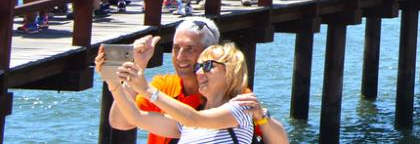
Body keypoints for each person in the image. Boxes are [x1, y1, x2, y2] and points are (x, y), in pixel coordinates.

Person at [105, 34, 285, 144]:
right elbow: (133, 117)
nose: (198, 72)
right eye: (198, 67)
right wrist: (113, 83)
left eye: (207, 66)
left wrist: (146, 89)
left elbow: (194, 118)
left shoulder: (240, 107)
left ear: (230, 71)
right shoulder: (185, 124)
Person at [104, 15, 222, 144]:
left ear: (210, 53)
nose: (180, 56)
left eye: (190, 49)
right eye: (176, 48)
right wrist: (137, 66)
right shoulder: (164, 85)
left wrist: (146, 89)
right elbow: (120, 122)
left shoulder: (230, 96)